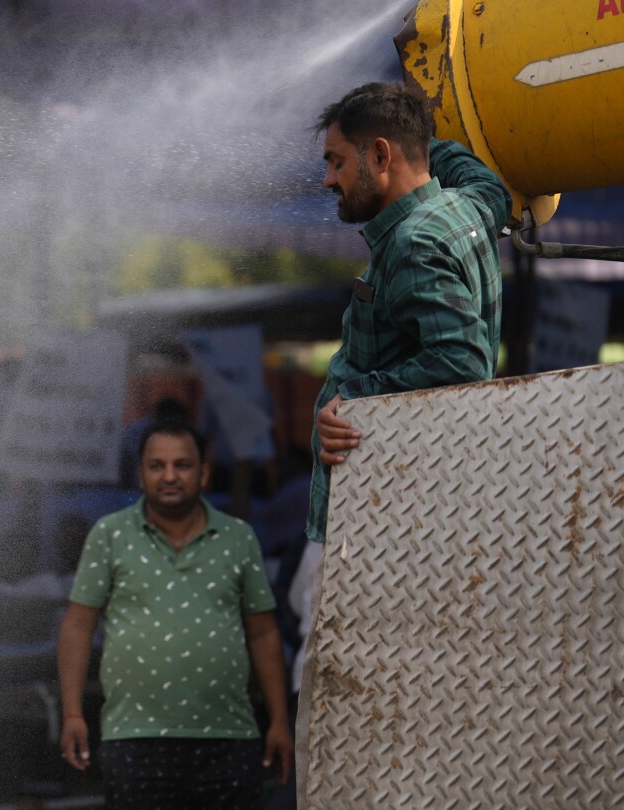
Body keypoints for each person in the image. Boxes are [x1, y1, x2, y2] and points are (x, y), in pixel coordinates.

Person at [296, 82, 510, 800]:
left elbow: (462, 364)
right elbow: (486, 180)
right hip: (411, 522)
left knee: (343, 733)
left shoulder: (415, 243)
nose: (328, 179)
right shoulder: (468, 206)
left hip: (373, 533)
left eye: (337, 161)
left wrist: (355, 402)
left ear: (380, 156)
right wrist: (419, 119)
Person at [57, 414, 292, 809]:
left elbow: (263, 632)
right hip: (135, 739)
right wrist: (71, 715)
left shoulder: (238, 537)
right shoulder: (110, 535)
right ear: (140, 475)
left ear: (204, 474)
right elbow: (78, 626)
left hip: (229, 738)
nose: (169, 476)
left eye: (182, 465)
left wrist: (280, 720)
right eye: (156, 466)